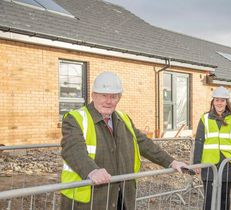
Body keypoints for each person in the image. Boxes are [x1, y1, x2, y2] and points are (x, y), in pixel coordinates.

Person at [60, 71, 188, 210]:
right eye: (104, 95)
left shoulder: (123, 119)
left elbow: (144, 144)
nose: (108, 101)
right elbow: (73, 149)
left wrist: (171, 162)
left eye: (113, 97)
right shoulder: (76, 118)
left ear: (119, 98)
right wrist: (92, 171)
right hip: (90, 200)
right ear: (93, 96)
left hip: (122, 196)